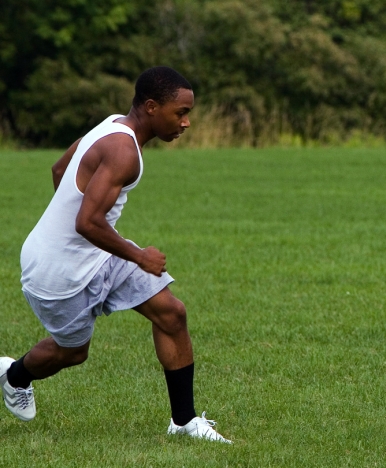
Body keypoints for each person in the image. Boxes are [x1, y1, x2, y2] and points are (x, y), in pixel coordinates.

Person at [0, 66, 231, 443]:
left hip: (96, 252)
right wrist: (139, 256)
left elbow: (60, 170)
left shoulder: (111, 123)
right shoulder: (124, 150)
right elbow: (87, 222)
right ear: (152, 107)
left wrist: (75, 226)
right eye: (181, 112)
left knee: (172, 313)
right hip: (56, 272)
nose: (187, 122)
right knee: (72, 353)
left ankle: (185, 422)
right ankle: (15, 376)